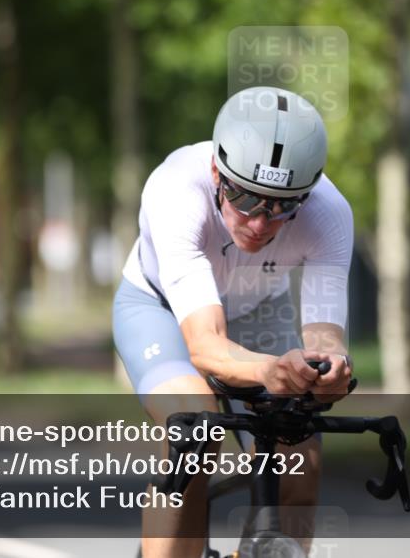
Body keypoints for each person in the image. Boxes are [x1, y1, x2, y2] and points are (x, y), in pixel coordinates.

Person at [113, 86, 354, 558]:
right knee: (195, 429)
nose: (261, 222)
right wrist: (270, 371)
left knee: (301, 459)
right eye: (245, 198)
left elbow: (326, 338)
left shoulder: (330, 215)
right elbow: (206, 346)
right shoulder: (177, 189)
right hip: (157, 309)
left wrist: (329, 370)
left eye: (283, 205)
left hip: (259, 312)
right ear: (216, 173)